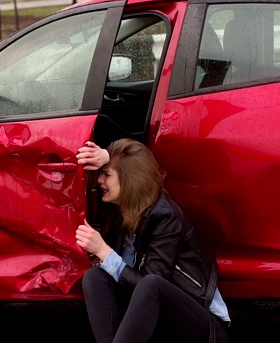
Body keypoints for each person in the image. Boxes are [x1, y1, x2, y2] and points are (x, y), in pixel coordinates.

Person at [75, 139, 230, 343]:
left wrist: (104, 252)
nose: (99, 181)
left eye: (107, 174)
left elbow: (151, 285)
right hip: (154, 319)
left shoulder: (166, 217)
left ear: (130, 179)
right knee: (95, 277)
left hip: (200, 323)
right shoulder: (121, 213)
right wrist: (107, 155)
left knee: (151, 284)